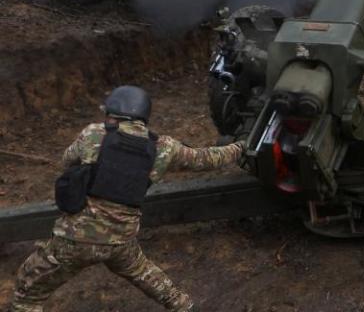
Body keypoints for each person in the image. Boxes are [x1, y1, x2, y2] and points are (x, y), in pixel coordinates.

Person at [9, 85, 245, 312]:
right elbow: (207, 159)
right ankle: (185, 306)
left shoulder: (94, 134)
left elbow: (67, 160)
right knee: (146, 274)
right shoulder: (165, 147)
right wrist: (240, 147)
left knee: (27, 294)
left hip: (75, 239)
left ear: (114, 114)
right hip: (121, 241)